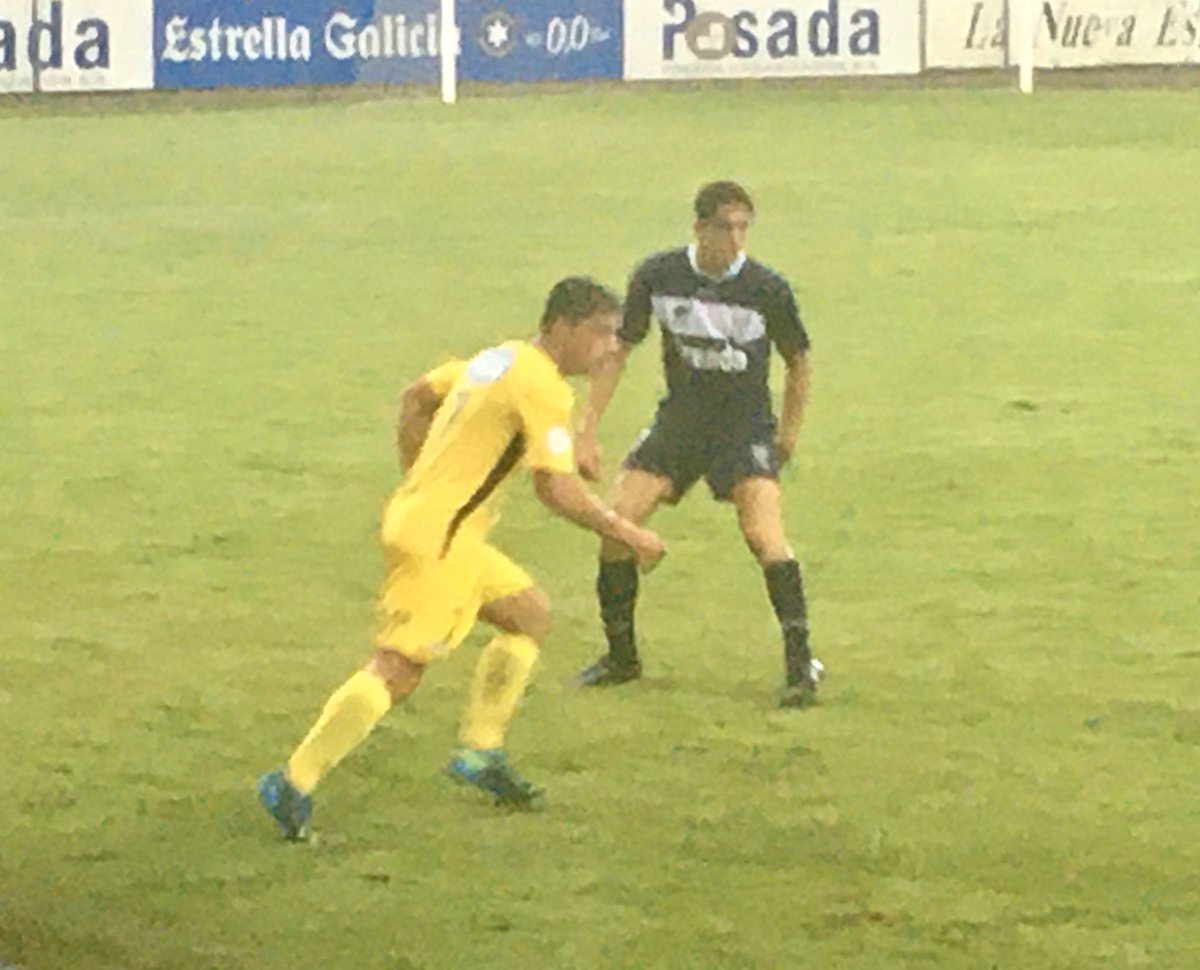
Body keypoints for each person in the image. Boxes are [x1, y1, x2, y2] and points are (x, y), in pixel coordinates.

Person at [257, 277, 666, 840]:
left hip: (441, 528)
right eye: (599, 334)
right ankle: (293, 780)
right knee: (399, 667)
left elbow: (417, 396)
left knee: (529, 615)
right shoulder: (542, 384)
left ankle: (480, 749)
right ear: (562, 326)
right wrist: (629, 533)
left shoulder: (498, 359)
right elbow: (555, 491)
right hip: (440, 540)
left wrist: (423, 477)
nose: (607, 350)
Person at [573, 181, 823, 708]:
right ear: (699, 228)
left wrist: (788, 435)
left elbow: (798, 360)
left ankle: (801, 665)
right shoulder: (658, 276)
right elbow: (620, 351)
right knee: (617, 522)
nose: (736, 239)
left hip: (744, 426)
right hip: (681, 423)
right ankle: (622, 658)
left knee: (763, 535)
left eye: (743, 228)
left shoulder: (766, 289)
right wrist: (587, 430)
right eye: (725, 227)